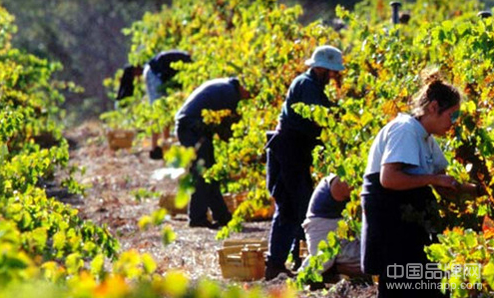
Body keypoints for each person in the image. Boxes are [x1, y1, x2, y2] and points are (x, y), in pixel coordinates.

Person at [361, 70, 483, 298]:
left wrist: (480, 191)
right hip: (390, 219)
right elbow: (388, 179)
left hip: (408, 219)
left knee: (421, 283)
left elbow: (445, 185)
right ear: (434, 107)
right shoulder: (405, 130)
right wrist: (433, 179)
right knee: (401, 283)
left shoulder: (427, 139)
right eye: (453, 116)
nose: (454, 123)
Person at [264, 45, 345, 280]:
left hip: (294, 151)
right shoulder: (308, 85)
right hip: (289, 150)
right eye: (331, 72)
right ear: (322, 68)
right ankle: (280, 263)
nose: (333, 77)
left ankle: (288, 260)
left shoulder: (311, 85)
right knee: (292, 206)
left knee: (295, 205)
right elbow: (319, 118)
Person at [175, 77, 250, 229]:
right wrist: (243, 148)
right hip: (191, 128)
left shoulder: (225, 86)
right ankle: (197, 217)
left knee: (211, 173)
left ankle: (222, 216)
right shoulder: (230, 94)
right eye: (251, 92)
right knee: (202, 173)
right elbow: (226, 129)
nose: (250, 97)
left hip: (192, 127)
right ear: (243, 87)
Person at [299, 174, 361, 289]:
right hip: (323, 227)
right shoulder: (342, 182)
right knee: (363, 260)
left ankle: (331, 269)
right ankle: (314, 273)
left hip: (342, 228)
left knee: (369, 256)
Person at [144, 50, 192, 160]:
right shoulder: (187, 63)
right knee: (159, 109)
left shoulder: (183, 59)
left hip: (156, 74)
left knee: (166, 108)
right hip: (154, 73)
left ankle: (165, 145)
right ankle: (156, 148)